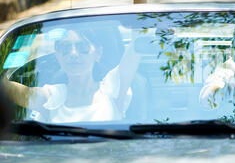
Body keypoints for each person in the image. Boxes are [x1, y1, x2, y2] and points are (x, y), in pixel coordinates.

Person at [2, 27, 144, 123]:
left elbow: (138, 44)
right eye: (65, 48)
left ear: (98, 53)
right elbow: (5, 86)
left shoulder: (111, 89)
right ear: (58, 55)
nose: (73, 54)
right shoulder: (52, 96)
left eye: (82, 47)